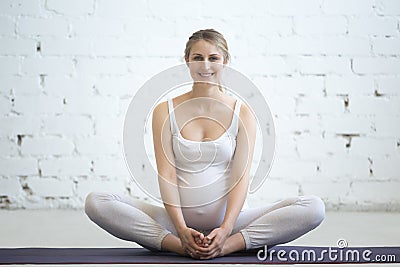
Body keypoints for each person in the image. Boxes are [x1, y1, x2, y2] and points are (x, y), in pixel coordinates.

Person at [85, 29, 325, 260]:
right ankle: (179, 246)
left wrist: (226, 228)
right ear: (187, 61)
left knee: (314, 208)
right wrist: (180, 228)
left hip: (233, 223)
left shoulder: (242, 112)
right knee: (96, 202)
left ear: (225, 61)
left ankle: (227, 246)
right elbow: (166, 173)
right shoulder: (164, 110)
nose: (206, 65)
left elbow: (241, 177)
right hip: (175, 222)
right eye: (197, 58)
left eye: (213, 58)